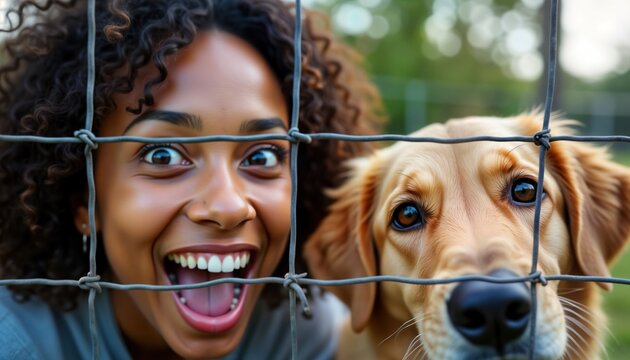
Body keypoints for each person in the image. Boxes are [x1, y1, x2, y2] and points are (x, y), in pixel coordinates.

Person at [0, 0, 383, 359]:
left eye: (262, 156)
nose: (228, 206)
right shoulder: (16, 338)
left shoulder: (304, 333)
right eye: (162, 156)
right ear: (85, 199)